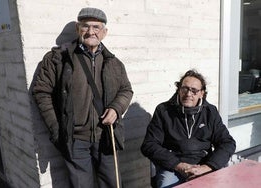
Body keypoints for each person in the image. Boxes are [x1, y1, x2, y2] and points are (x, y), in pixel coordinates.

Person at [32, 7, 133, 188]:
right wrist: (57, 130)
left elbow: (126, 90)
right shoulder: (58, 58)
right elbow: (41, 92)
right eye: (85, 26)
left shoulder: (114, 62)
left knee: (112, 183)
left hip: (106, 136)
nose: (90, 31)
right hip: (75, 139)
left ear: (104, 32)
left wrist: (117, 109)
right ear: (78, 29)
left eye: (96, 27)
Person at [141, 69, 236, 188]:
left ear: (202, 93)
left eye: (194, 90)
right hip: (173, 166)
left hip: (203, 165)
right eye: (184, 88)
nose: (188, 94)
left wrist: (207, 167)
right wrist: (179, 165)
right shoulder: (163, 111)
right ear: (179, 89)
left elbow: (228, 143)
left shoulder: (210, 112)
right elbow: (149, 145)